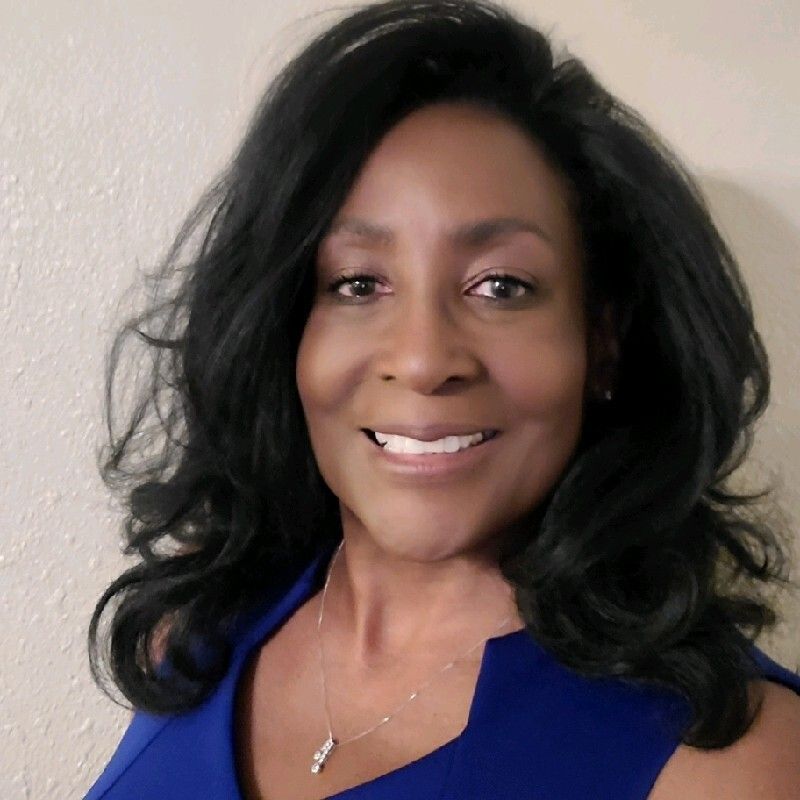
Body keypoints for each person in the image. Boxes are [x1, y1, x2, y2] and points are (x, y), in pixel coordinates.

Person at [82, 1, 800, 798]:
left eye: (501, 285)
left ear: (603, 343)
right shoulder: (198, 628)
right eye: (358, 283)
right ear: (284, 329)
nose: (423, 359)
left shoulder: (731, 759)